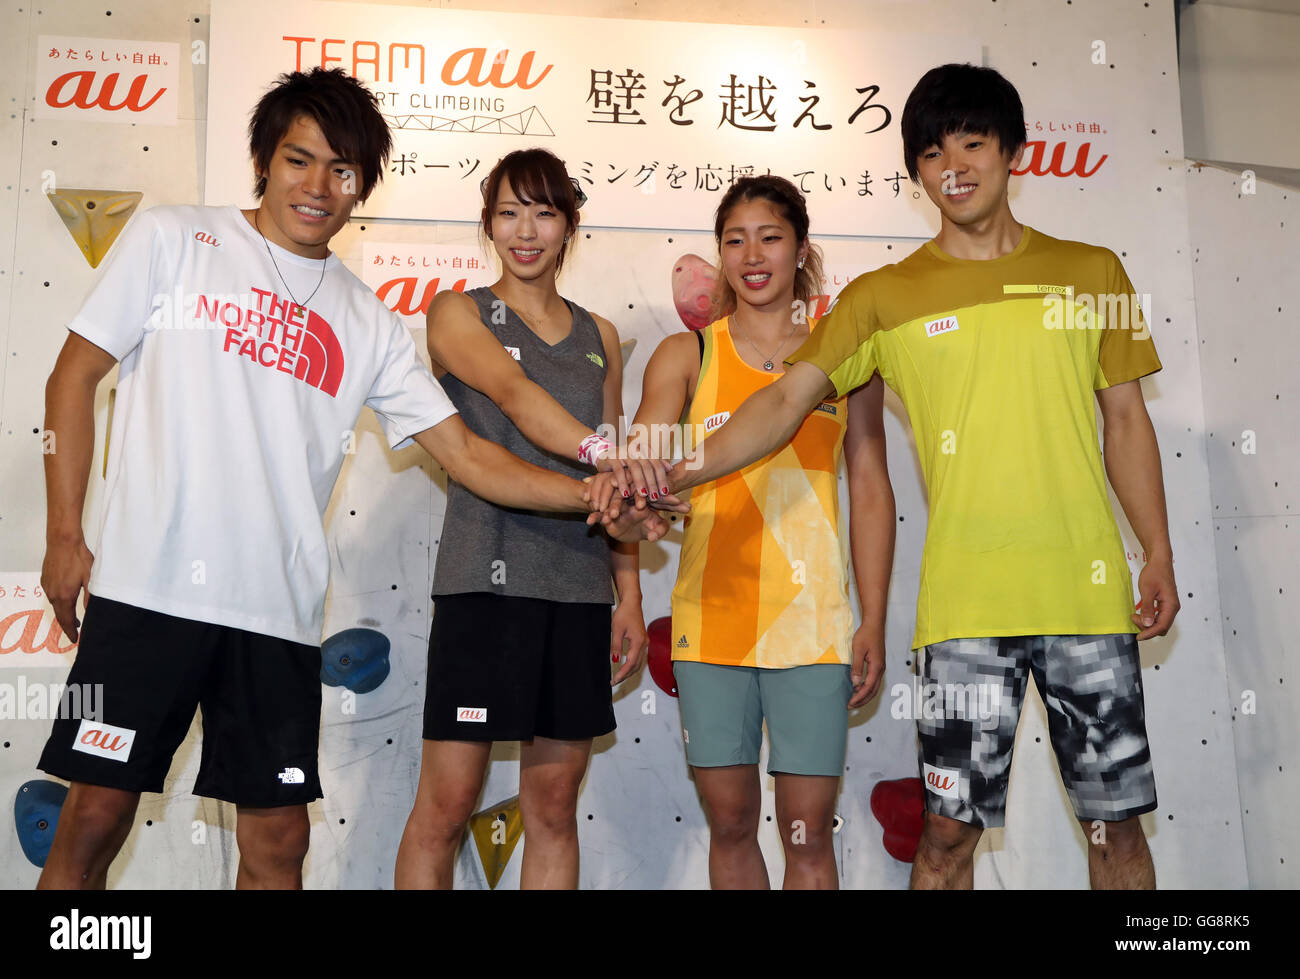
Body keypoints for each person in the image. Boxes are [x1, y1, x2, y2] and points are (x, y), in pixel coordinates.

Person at [35, 68, 649, 890]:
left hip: (279, 616)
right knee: (94, 818)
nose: (318, 186)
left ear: (364, 184)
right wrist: (65, 533)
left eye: (343, 170)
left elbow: (467, 454)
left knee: (281, 843)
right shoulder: (173, 240)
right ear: (263, 159)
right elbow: (72, 377)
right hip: (148, 597)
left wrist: (597, 493)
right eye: (300, 160)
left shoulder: (368, 319)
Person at [658, 63, 1179, 889]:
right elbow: (778, 405)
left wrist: (1156, 547)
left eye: (974, 143)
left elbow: (1126, 419)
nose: (955, 166)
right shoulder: (880, 298)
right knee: (943, 838)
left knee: (1116, 833)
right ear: (916, 172)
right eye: (934, 152)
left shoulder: (1093, 271)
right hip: (961, 613)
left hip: (1088, 600)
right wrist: (669, 474)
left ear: (1012, 152)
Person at [394, 149, 682, 890]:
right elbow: (517, 396)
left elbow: (606, 467)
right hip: (482, 585)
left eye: (545, 212)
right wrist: (610, 465)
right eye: (509, 212)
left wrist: (630, 593)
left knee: (552, 805)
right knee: (448, 803)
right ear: (487, 222)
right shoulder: (457, 311)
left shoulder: (601, 337)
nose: (526, 231)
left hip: (579, 590)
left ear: (569, 226)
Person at [629, 176, 893, 888]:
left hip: (814, 629)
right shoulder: (685, 356)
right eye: (734, 239)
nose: (752, 254)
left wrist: (872, 618)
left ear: (800, 247)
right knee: (733, 825)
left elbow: (870, 490)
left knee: (808, 835)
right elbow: (647, 463)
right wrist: (638, 491)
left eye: (770, 237)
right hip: (711, 623)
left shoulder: (845, 356)